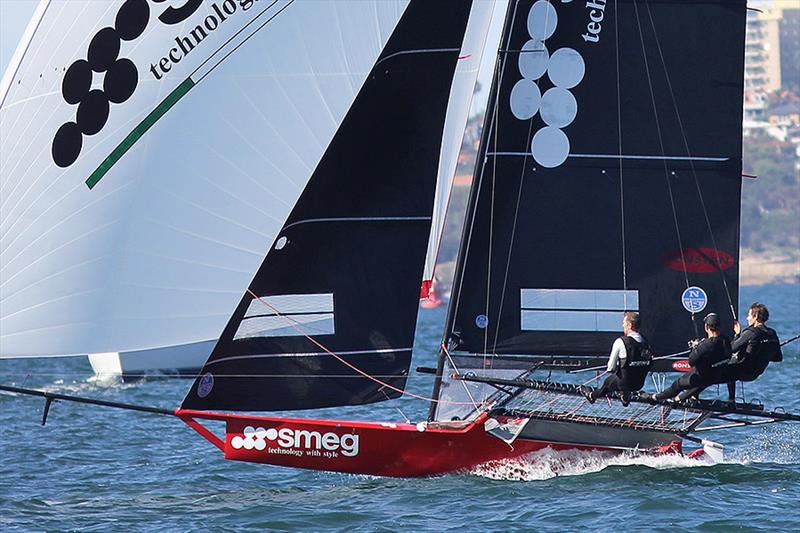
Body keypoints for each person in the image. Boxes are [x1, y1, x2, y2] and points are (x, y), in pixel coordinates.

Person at [649, 313, 731, 402]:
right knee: (699, 376)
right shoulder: (725, 340)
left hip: (702, 378)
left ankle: (655, 398)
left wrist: (695, 348)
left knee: (677, 385)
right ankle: (688, 397)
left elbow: (691, 362)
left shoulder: (705, 345)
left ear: (706, 327)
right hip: (716, 376)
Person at [583, 311, 652, 406]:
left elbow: (610, 368)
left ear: (629, 325)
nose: (622, 325)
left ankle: (592, 396)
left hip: (624, 383)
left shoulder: (620, 342)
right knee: (625, 377)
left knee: (608, 382)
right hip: (639, 384)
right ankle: (625, 395)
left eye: (624, 323)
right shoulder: (646, 342)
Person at [720, 302, 782, 401]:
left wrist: (737, 334)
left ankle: (731, 400)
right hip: (756, 373)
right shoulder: (772, 333)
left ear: (756, 317)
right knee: (732, 364)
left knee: (715, 371)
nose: (747, 318)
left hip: (742, 372)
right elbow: (778, 357)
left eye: (749, 315)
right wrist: (765, 351)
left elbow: (731, 349)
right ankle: (731, 401)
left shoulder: (750, 332)